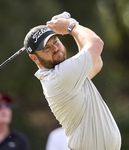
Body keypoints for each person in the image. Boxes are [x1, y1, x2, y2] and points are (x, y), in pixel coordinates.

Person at [24, 12, 121, 150]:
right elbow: (96, 43)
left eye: (55, 41)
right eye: (46, 48)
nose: (55, 49)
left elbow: (96, 62)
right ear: (34, 58)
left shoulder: (64, 75)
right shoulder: (60, 76)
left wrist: (72, 26)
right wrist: (70, 26)